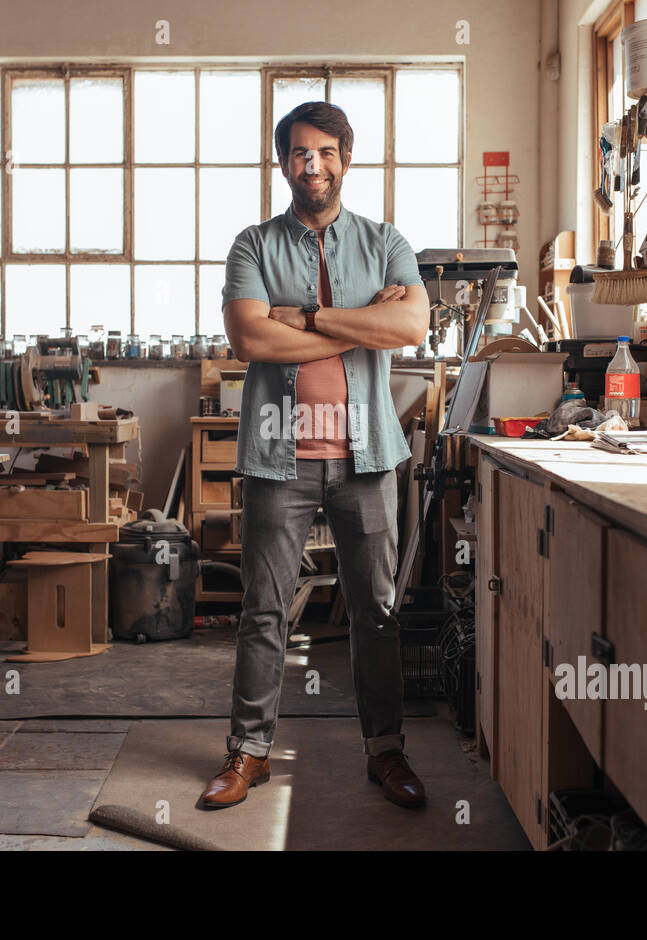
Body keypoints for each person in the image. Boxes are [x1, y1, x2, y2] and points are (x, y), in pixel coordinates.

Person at [199, 101, 430, 811]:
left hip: (366, 459)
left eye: (326, 151)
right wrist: (364, 325)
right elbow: (251, 340)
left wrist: (307, 317)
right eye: (300, 153)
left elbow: (413, 323)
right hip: (280, 457)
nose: (313, 165)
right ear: (283, 163)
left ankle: (384, 751)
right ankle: (249, 754)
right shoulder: (252, 246)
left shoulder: (386, 241)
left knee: (377, 612)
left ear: (346, 159)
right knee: (264, 611)